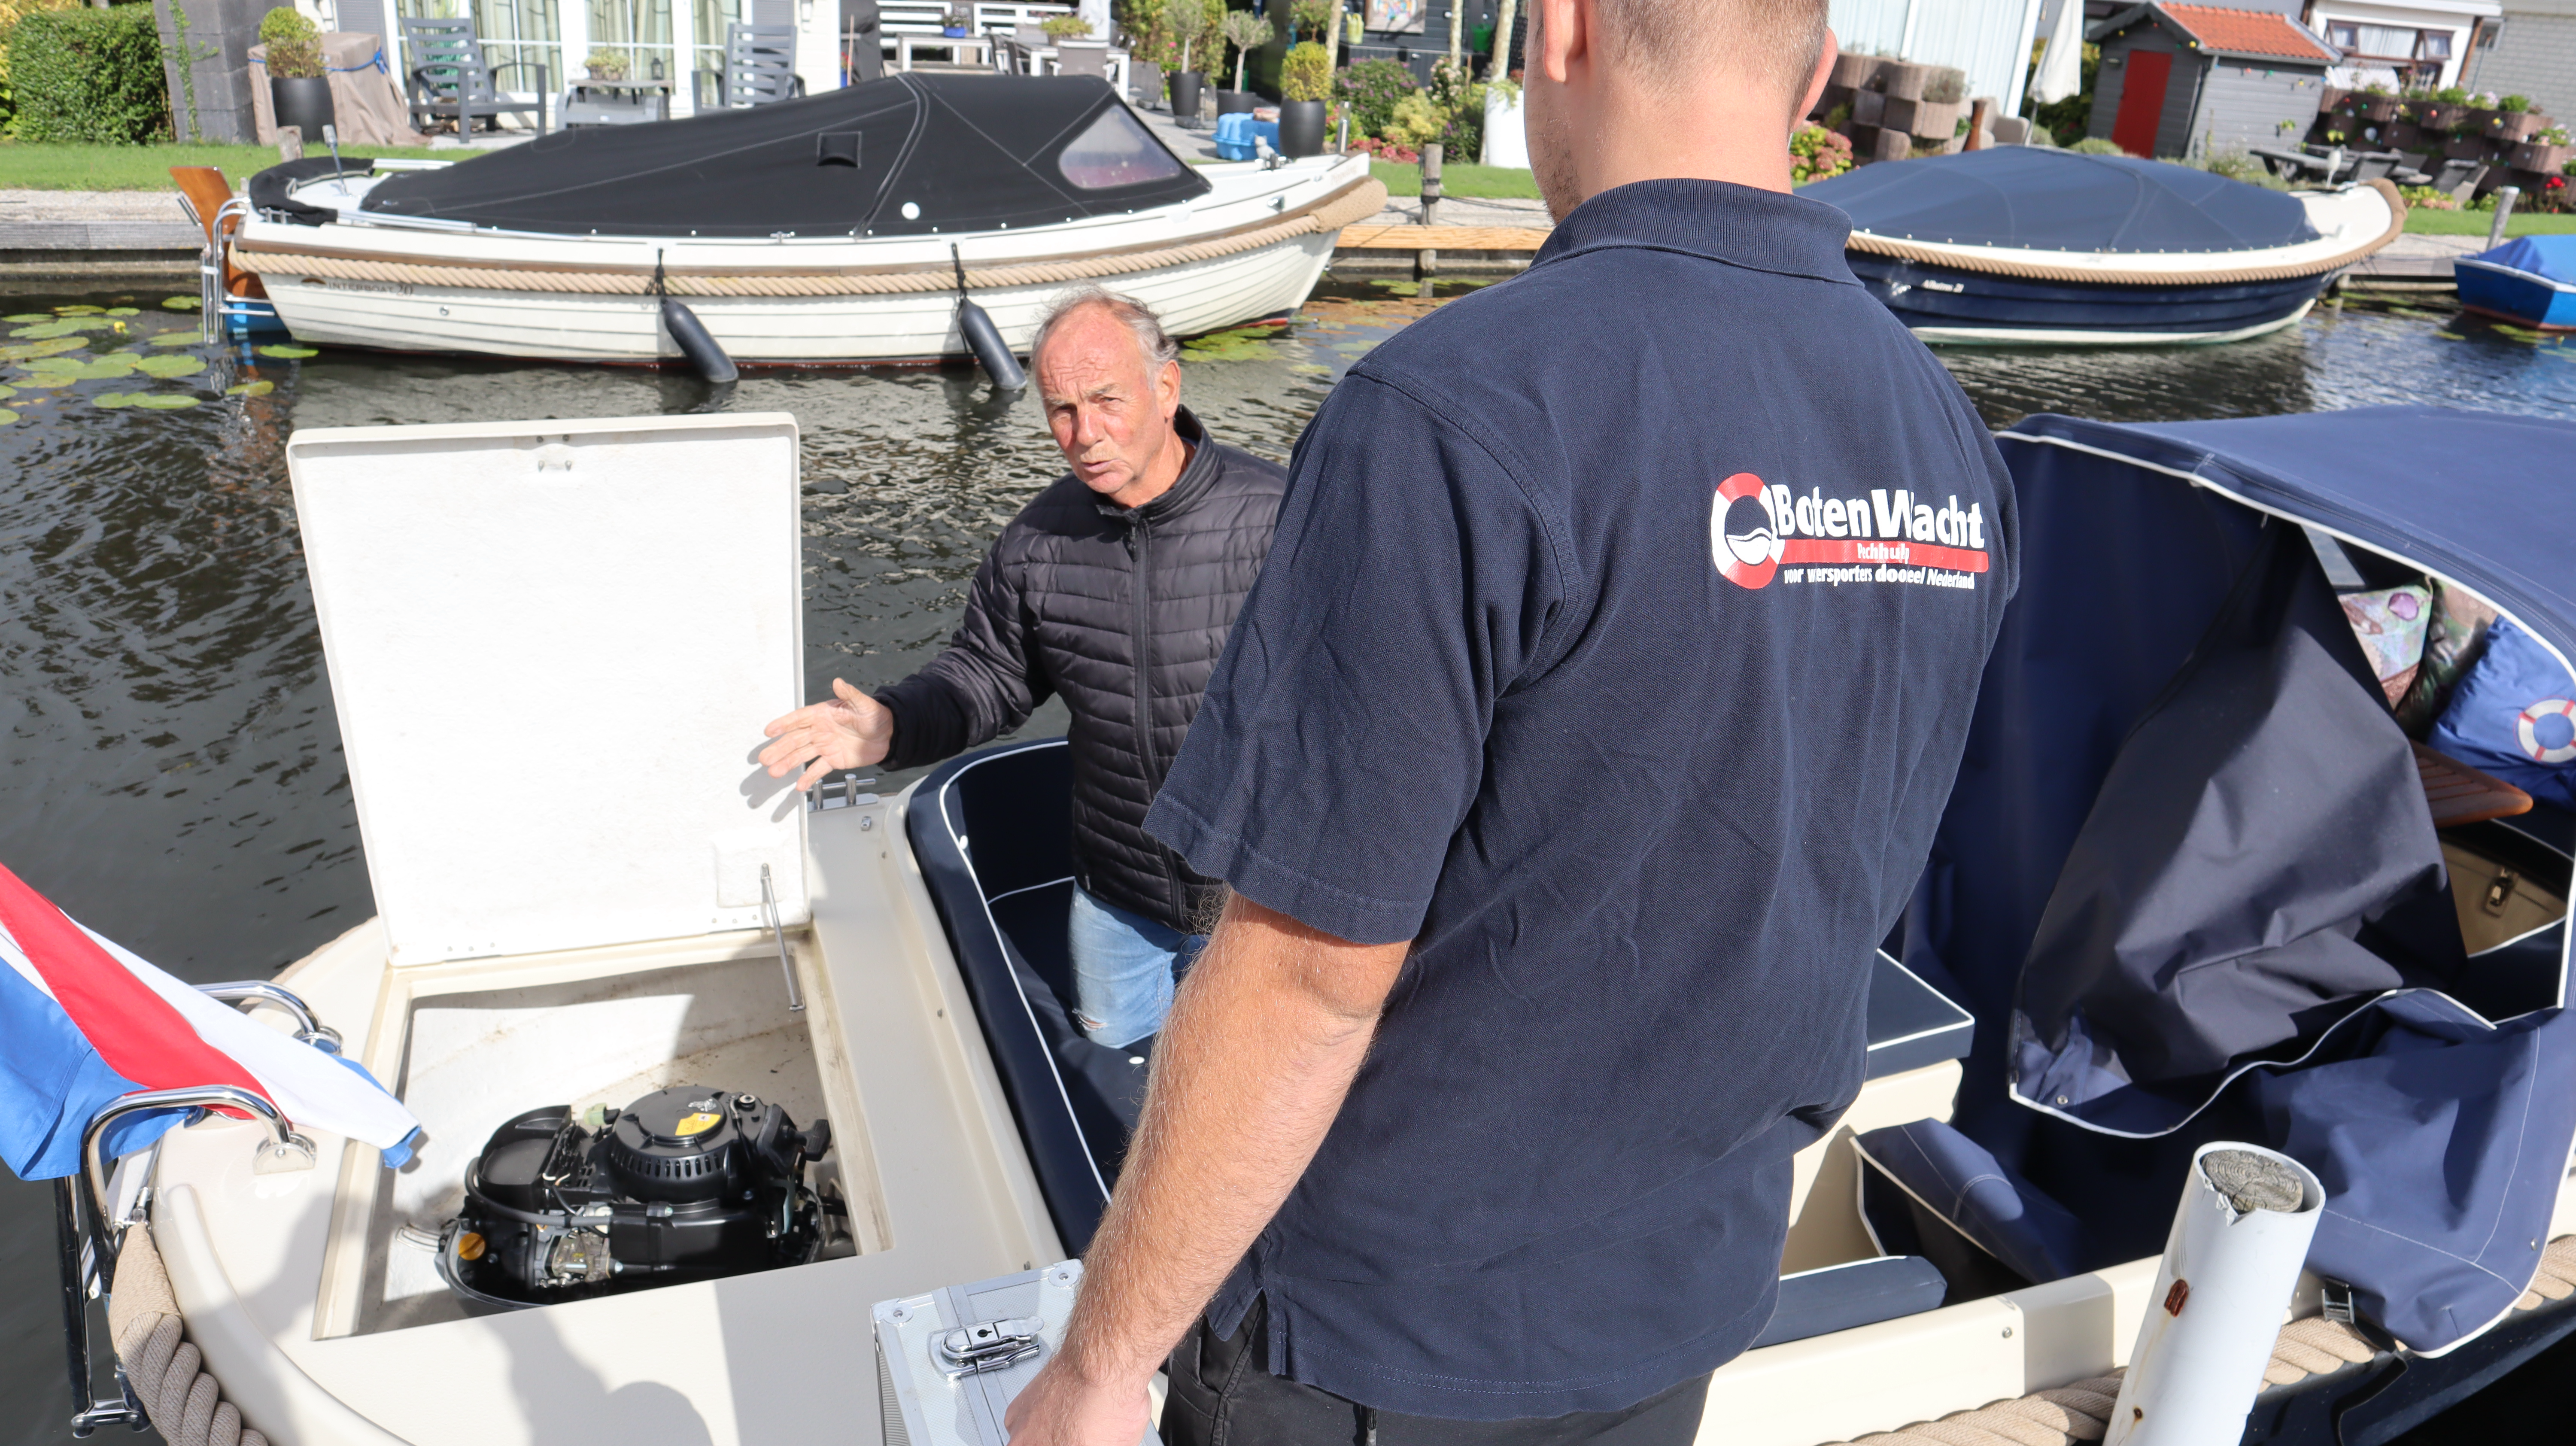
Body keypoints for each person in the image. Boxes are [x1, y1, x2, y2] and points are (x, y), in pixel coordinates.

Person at [1002, 0, 2020, 1443]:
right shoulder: (1947, 442)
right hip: (1686, 1294)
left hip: (1381, 1343)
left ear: (1561, 33)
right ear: (1811, 78)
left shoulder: (1452, 410)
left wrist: (1102, 1363)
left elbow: (1307, 975)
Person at [758, 288, 1286, 1048]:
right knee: (1115, 1079)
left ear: (1166, 387)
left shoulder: (1280, 517)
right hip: (1119, 896)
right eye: (1061, 410)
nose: (1085, 434)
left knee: (1250, 1090)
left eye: (1106, 400)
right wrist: (892, 726)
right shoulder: (1036, 541)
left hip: (1258, 903)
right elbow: (987, 676)